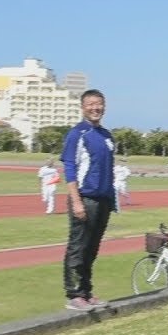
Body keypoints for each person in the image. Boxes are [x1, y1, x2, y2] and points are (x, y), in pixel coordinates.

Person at [60, 89, 115, 311]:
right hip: (85, 197)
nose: (95, 108)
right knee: (78, 246)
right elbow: (70, 169)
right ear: (83, 107)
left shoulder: (107, 135)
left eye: (99, 104)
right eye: (91, 104)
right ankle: (74, 293)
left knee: (92, 248)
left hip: (103, 199)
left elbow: (108, 170)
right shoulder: (77, 134)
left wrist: (112, 201)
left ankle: (86, 291)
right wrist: (77, 201)